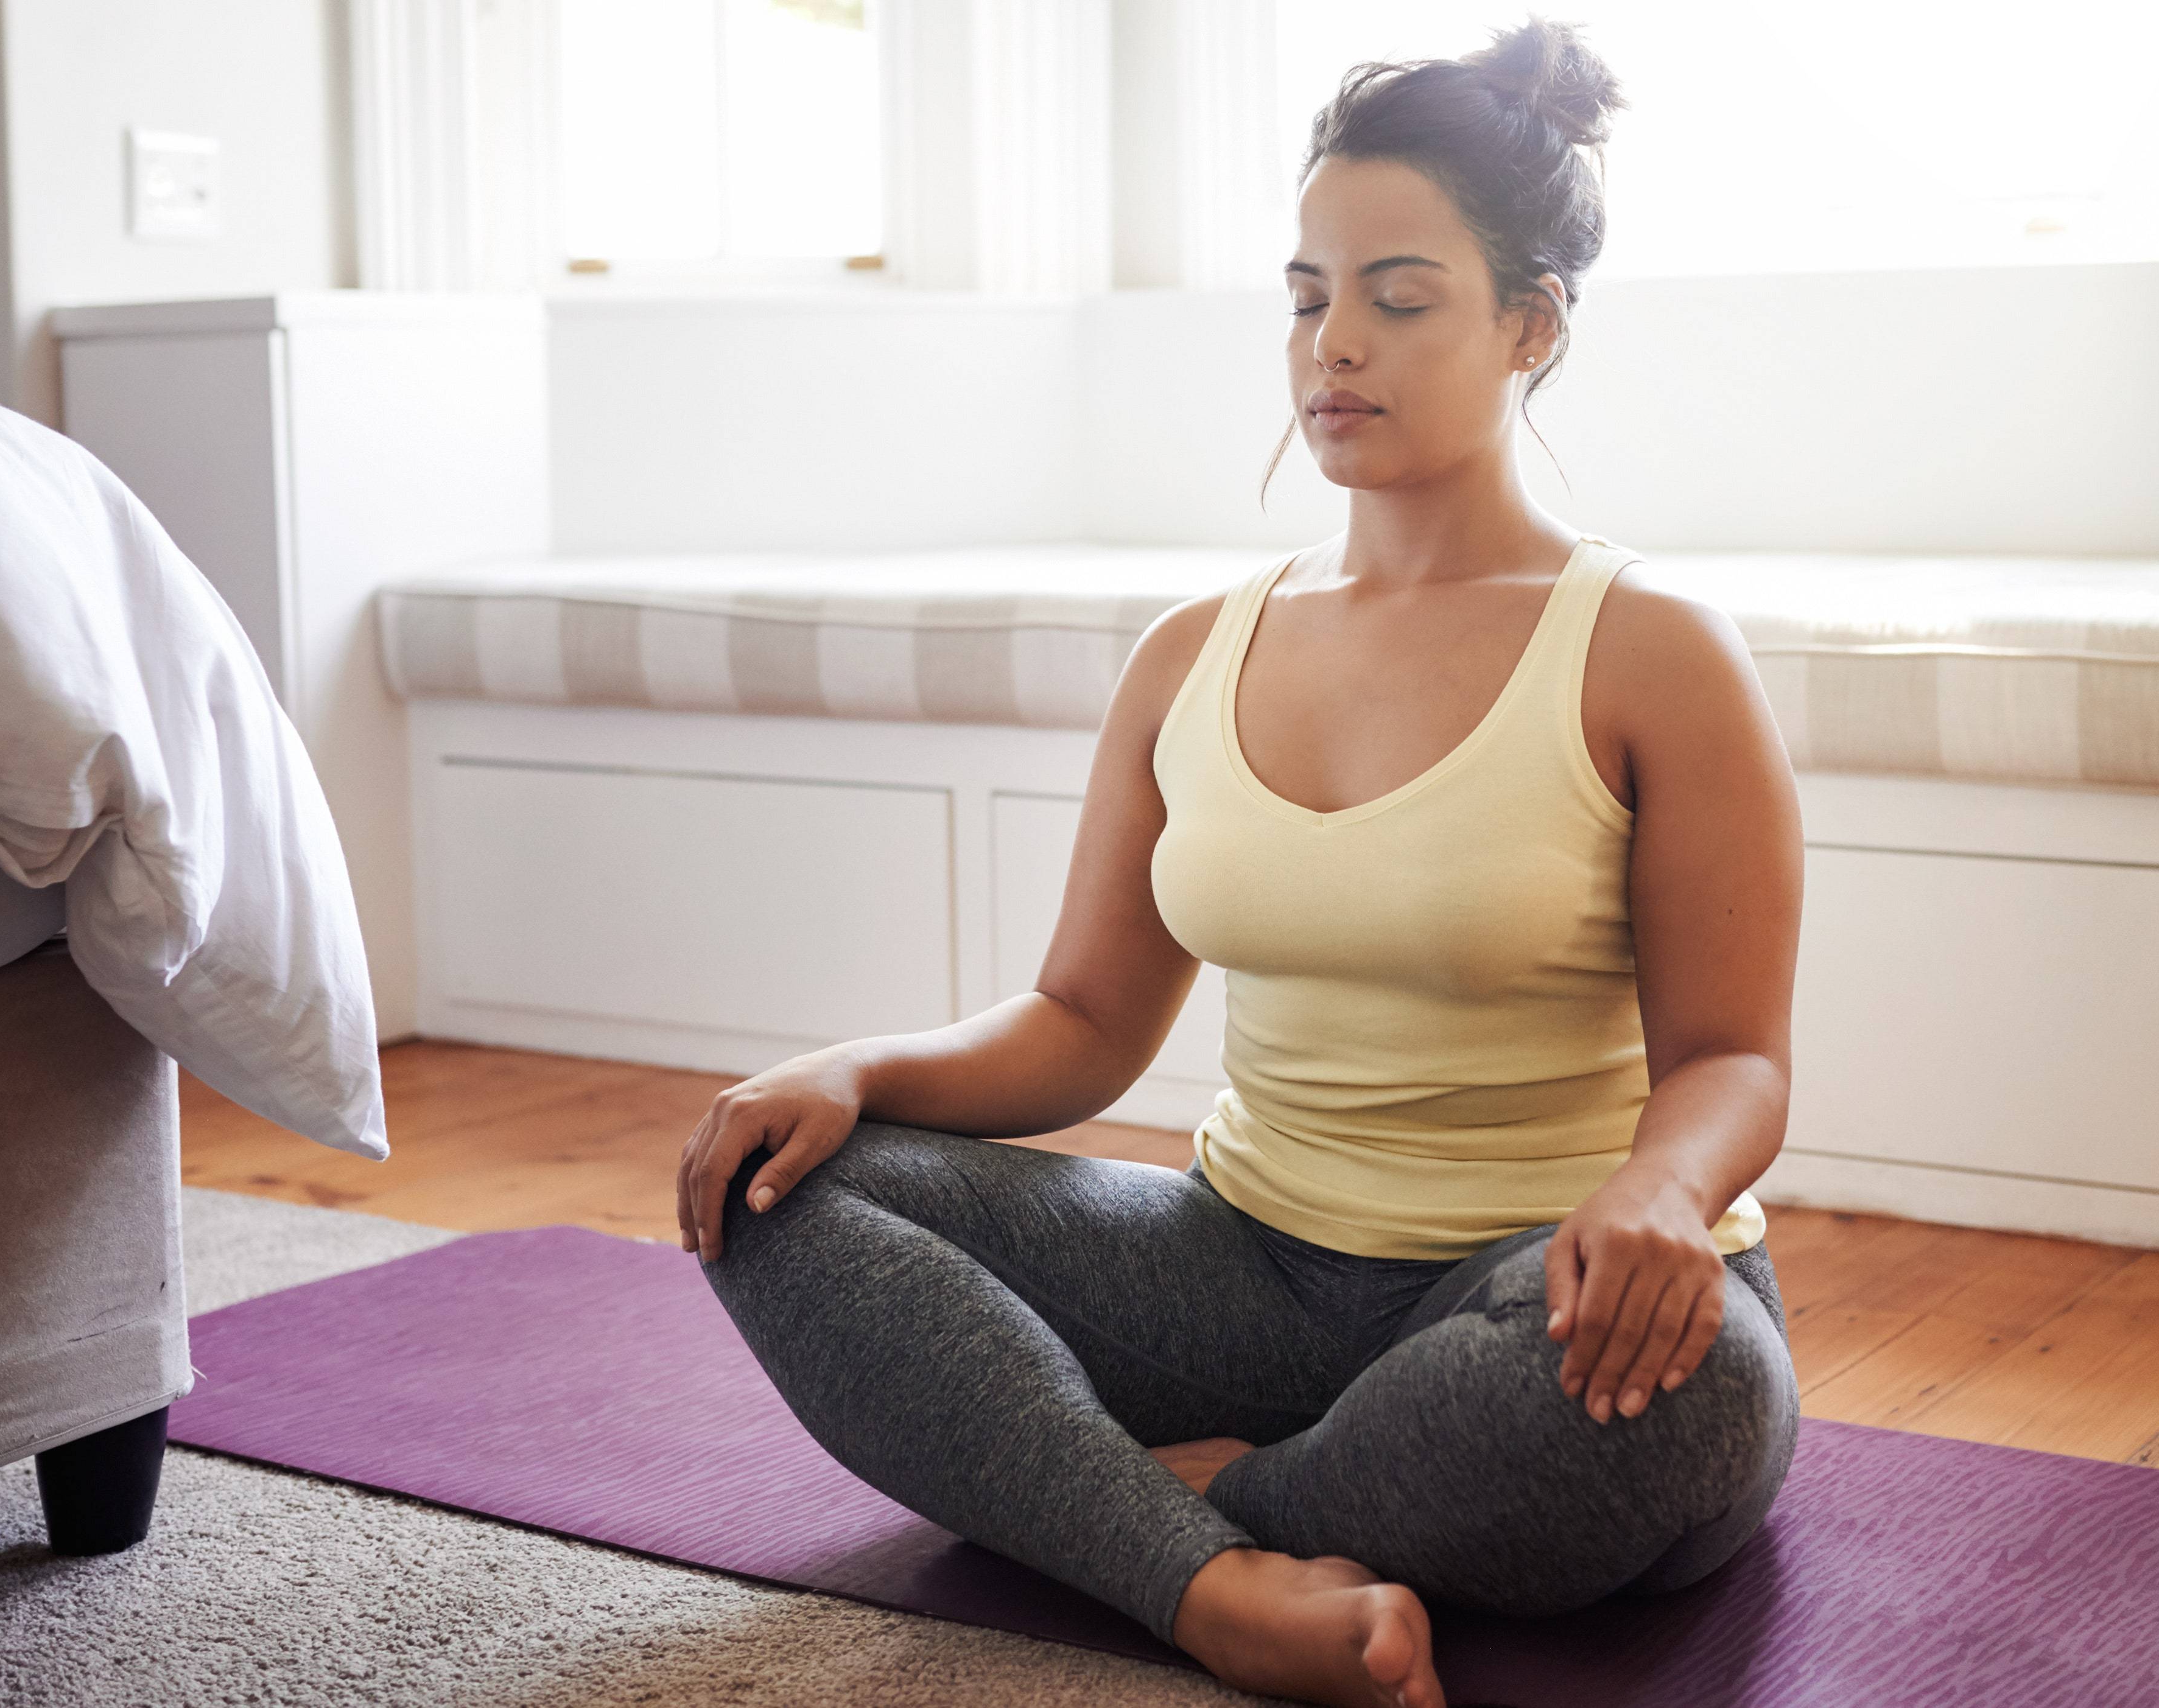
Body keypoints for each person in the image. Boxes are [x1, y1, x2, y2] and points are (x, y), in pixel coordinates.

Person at [675, 19, 1805, 1708]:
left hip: (1544, 1289)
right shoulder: (1194, 649)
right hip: (1244, 1270)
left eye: (1399, 298)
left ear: (1530, 323)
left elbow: (1733, 1058)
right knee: (783, 1198)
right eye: (1304, 296)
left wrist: (1657, 1191)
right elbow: (1081, 1019)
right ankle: (1219, 1587)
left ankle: (1162, 1505)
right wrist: (852, 1070)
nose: (1333, 345)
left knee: (1696, 1390)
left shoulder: (1650, 651)